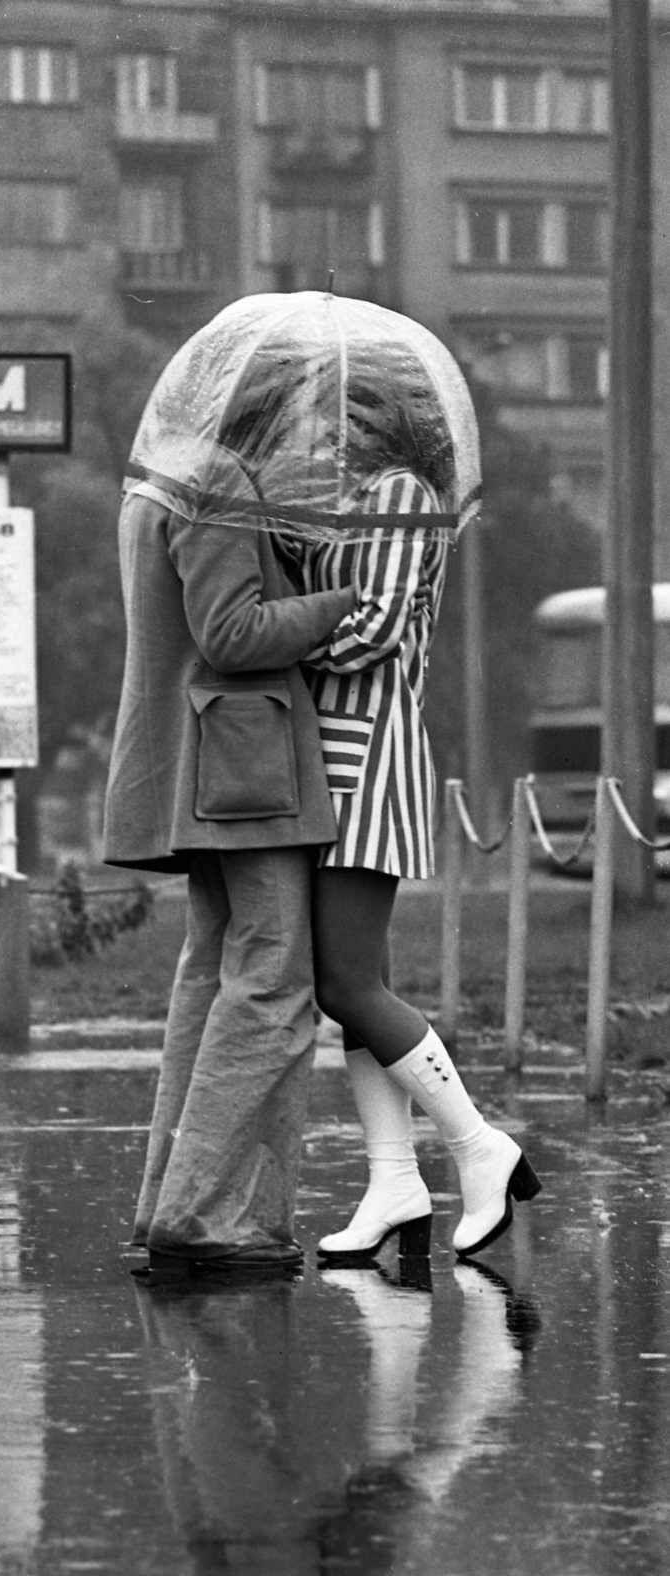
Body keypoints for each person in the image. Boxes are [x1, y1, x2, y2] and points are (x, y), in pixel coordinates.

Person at [303, 388, 542, 1262]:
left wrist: (275, 639)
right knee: (356, 984)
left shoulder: (400, 493)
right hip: (334, 750)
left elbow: (376, 625)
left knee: (345, 982)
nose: (327, 429)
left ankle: (480, 1148)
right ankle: (393, 1180)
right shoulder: (358, 499)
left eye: (340, 418)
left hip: (366, 751)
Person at [103, 481, 360, 1269]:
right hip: (245, 766)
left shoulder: (165, 483)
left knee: (213, 976)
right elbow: (232, 633)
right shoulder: (219, 492)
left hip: (213, 765)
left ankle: (174, 1206)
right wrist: (337, 601)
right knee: (273, 978)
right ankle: (213, 1217)